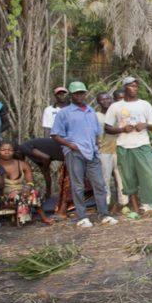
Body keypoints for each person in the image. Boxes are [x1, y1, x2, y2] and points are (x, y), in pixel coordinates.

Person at [51, 81, 117, 228]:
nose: (79, 96)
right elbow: (55, 134)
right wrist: (70, 145)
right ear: (71, 95)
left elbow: (96, 132)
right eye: (76, 93)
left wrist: (95, 145)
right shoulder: (64, 113)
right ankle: (82, 216)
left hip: (92, 152)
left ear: (85, 93)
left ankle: (104, 214)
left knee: (99, 184)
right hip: (74, 153)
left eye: (82, 93)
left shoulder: (90, 111)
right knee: (78, 185)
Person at [105, 77, 152, 214]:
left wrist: (145, 125)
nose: (134, 88)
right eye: (131, 86)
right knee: (128, 179)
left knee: (148, 177)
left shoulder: (145, 105)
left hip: (142, 145)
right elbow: (107, 127)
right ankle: (135, 209)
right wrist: (122, 129)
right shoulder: (116, 106)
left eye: (136, 86)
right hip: (123, 146)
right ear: (124, 88)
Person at [0, 141, 52, 225]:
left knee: (34, 193)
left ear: (13, 151)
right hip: (3, 195)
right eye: (3, 150)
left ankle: (43, 217)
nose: (7, 152)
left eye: (10, 150)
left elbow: (30, 182)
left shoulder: (22, 164)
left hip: (21, 192)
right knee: (18, 196)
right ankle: (21, 219)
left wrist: (28, 187)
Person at [96, 92, 128, 212]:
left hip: (119, 149)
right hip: (104, 150)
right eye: (102, 99)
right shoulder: (96, 116)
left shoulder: (117, 114)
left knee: (121, 178)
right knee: (105, 179)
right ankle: (106, 204)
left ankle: (123, 203)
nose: (106, 101)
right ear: (98, 102)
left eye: (108, 98)